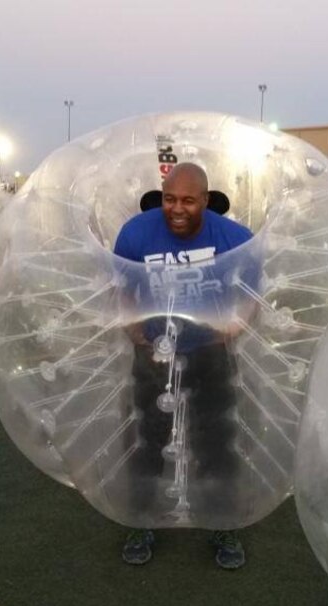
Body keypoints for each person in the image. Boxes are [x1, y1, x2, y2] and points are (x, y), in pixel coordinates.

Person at [112, 162, 255, 569]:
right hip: (155, 354)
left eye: (188, 201)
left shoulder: (234, 238)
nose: (177, 208)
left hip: (210, 353)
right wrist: (135, 328)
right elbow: (121, 288)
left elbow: (254, 288)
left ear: (206, 202)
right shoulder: (136, 233)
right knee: (147, 439)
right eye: (170, 199)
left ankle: (222, 526)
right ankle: (140, 521)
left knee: (216, 443)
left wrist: (234, 326)